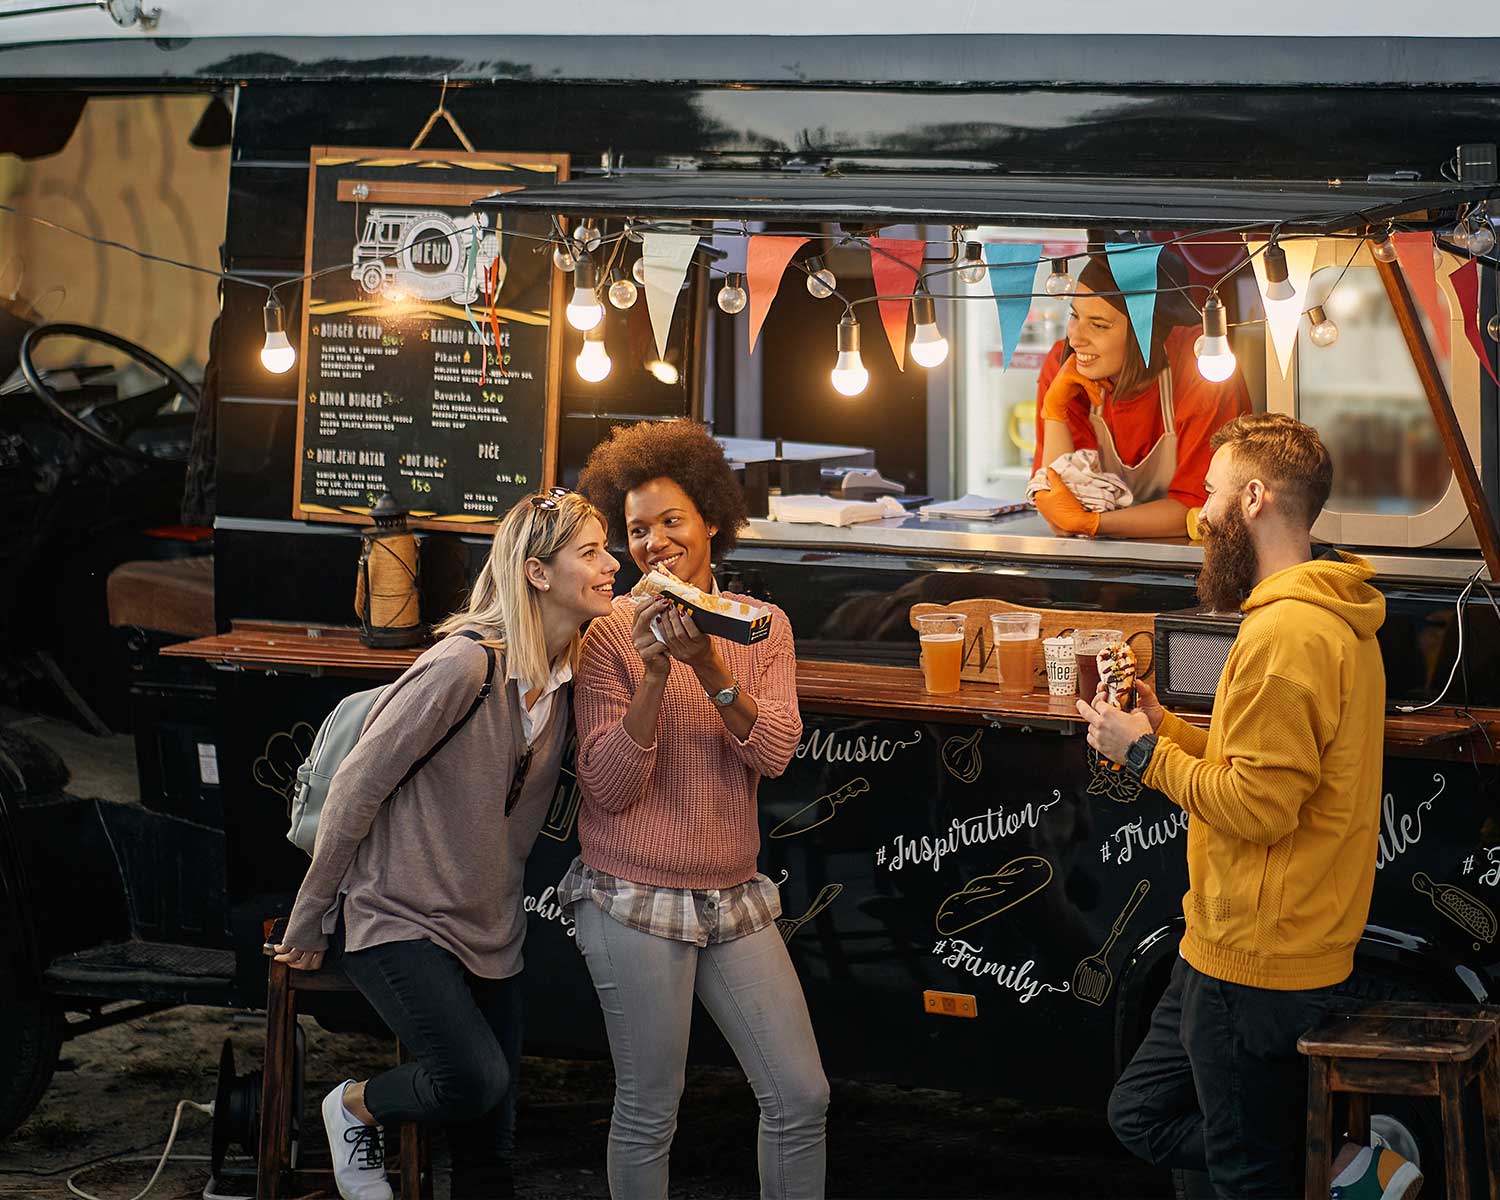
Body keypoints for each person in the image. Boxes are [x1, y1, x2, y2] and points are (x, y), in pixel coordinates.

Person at [1076, 413, 1414, 1198]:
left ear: (1255, 498)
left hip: (1259, 964)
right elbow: (1265, 770)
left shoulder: (1287, 634)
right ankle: (1352, 1168)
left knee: (1245, 1175)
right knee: (1140, 1115)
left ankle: (1344, 1169)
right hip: (1229, 943)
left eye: (1215, 493)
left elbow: (1259, 809)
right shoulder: (1330, 614)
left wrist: (1138, 752)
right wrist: (1168, 729)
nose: (1201, 514)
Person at [273, 490, 619, 1200]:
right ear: (536, 573)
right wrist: (311, 919)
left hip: (490, 926)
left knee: (492, 1151)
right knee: (473, 1077)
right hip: (396, 915)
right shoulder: (463, 666)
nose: (612, 564)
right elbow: (355, 790)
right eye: (591, 552)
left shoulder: (566, 679)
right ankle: (352, 1107)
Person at [561, 418, 829, 1200]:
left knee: (801, 1096)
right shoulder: (607, 634)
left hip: (733, 891)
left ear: (712, 519)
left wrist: (706, 662)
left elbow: (774, 751)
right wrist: (651, 675)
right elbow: (609, 787)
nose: (654, 543)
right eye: (637, 529)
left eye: (671, 520)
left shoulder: (759, 626)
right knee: (649, 1110)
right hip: (632, 898)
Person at [1031, 250, 1251, 539]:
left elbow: (1204, 509)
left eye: (1099, 325)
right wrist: (1055, 409)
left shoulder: (1203, 365)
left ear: (1144, 334)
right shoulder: (1065, 365)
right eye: (1075, 316)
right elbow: (1062, 509)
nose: (1076, 338)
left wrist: (1093, 524)